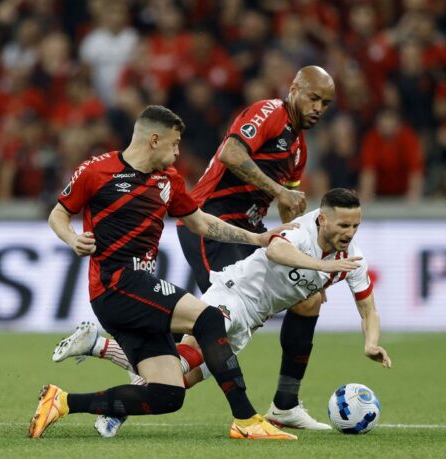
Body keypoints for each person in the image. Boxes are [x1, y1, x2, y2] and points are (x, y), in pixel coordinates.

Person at [28, 105, 297, 441]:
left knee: (168, 394)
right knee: (209, 319)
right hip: (116, 286)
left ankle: (63, 401)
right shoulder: (96, 171)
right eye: (174, 143)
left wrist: (256, 238)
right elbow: (58, 214)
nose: (178, 151)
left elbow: (200, 223)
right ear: (154, 140)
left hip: (138, 291)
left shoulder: (169, 180)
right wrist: (73, 239)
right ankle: (246, 419)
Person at [55, 188, 392, 437]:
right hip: (234, 295)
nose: (349, 233)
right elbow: (275, 250)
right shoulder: (303, 232)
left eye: (355, 226)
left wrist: (371, 343)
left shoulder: (352, 258)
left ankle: (100, 357)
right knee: (179, 365)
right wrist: (321, 266)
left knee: (179, 380)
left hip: (253, 319)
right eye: (343, 225)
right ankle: (98, 357)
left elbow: (368, 309)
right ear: (322, 219)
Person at [176, 65, 336, 430]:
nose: (318, 108)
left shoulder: (298, 148)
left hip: (251, 232)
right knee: (216, 327)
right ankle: (135, 390)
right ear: (294, 89)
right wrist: (279, 191)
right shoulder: (269, 112)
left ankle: (286, 404)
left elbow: (288, 207)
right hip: (211, 225)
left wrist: (306, 262)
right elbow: (232, 153)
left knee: (307, 299)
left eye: (325, 104)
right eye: (313, 98)